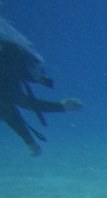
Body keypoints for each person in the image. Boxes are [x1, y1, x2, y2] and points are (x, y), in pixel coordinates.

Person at [0, 19, 83, 156]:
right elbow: (18, 103)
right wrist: (62, 107)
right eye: (40, 70)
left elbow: (7, 107)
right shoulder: (11, 61)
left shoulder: (11, 57)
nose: (42, 75)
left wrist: (29, 141)